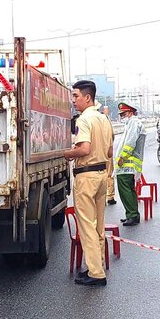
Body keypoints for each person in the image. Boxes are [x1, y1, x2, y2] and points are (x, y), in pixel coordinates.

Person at [63, 80, 113, 287]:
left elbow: (84, 149)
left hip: (86, 176)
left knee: (86, 226)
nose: (73, 100)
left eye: (75, 96)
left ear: (87, 97)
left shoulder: (84, 120)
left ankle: (96, 272)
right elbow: (110, 151)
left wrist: (66, 153)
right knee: (98, 225)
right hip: (101, 175)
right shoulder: (104, 119)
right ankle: (97, 264)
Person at [114, 102, 146, 227]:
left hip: (127, 164)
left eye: (124, 114)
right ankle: (132, 214)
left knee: (125, 190)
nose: (122, 117)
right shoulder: (133, 123)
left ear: (130, 113)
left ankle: (132, 215)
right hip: (131, 164)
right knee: (130, 189)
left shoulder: (133, 122)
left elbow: (130, 142)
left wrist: (123, 157)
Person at [102, 106, 117, 205]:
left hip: (97, 154)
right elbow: (112, 135)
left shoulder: (92, 120)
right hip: (108, 152)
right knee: (109, 174)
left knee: (100, 175)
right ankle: (110, 197)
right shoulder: (107, 120)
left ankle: (101, 199)